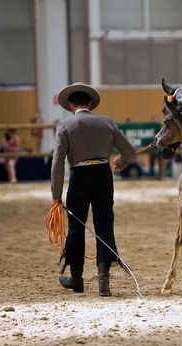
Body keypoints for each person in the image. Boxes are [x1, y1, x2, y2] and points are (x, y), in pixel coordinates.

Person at [52, 82, 136, 297]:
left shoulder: (64, 126)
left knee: (76, 227)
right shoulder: (106, 122)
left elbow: (57, 163)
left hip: (79, 177)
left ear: (71, 105)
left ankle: (77, 280)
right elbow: (130, 151)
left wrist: (56, 196)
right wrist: (121, 161)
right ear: (90, 103)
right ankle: (103, 283)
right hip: (103, 176)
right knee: (104, 225)